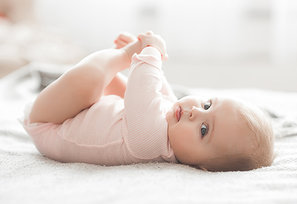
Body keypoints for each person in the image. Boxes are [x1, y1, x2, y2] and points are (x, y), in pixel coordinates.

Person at [22, 31, 274, 171]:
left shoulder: (151, 143)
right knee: (117, 87)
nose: (194, 111)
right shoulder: (173, 126)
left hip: (49, 121)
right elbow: (160, 93)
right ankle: (122, 62)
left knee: (92, 76)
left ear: (202, 166)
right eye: (207, 104)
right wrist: (143, 58)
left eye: (204, 130)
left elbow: (144, 88)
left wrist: (148, 53)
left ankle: (120, 57)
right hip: (83, 113)